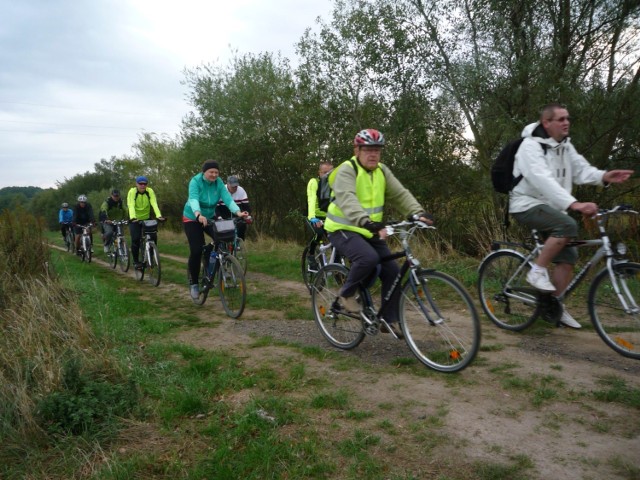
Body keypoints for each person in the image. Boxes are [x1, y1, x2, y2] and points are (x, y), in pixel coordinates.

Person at [511, 103, 634, 328]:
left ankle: (555, 306)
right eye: (560, 119)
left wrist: (605, 176)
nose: (566, 122)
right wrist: (574, 204)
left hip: (552, 208)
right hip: (526, 204)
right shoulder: (530, 147)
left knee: (568, 258)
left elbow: (581, 170)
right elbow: (542, 180)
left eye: (568, 118)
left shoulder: (565, 146)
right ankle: (537, 271)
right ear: (546, 123)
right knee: (568, 225)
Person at [324, 129, 433, 338]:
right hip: (342, 228)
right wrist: (365, 221)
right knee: (368, 258)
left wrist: (417, 213)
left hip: (368, 230)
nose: (373, 154)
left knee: (392, 270)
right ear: (357, 150)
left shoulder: (382, 171)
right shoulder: (347, 170)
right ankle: (346, 294)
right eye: (368, 149)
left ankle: (389, 320)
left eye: (377, 150)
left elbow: (400, 194)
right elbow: (347, 198)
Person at [184, 160, 249, 300]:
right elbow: (193, 199)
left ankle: (210, 260)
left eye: (216, 172)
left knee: (223, 239)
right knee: (196, 250)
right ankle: (194, 283)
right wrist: (198, 214)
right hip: (192, 217)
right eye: (211, 172)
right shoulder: (195, 182)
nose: (214, 175)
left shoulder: (218, 182)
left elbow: (227, 199)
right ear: (204, 172)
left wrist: (238, 212)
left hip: (209, 217)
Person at [126, 176, 165, 270]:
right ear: (136, 184)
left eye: (145, 184)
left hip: (146, 218)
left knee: (153, 237)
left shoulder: (149, 191)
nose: (143, 186)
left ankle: (151, 256)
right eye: (140, 184)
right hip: (134, 218)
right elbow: (131, 205)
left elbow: (154, 203)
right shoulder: (132, 192)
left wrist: (159, 216)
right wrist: (133, 217)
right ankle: (136, 262)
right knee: (135, 239)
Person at [306, 161, 333, 268]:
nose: (327, 175)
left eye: (330, 173)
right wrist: (312, 217)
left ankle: (338, 269)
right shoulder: (314, 182)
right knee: (319, 233)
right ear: (319, 173)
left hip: (329, 217)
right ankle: (311, 254)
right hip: (314, 216)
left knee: (338, 240)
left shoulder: (333, 184)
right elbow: (311, 199)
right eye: (325, 172)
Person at [215, 175, 251, 240]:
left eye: (236, 186)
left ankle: (240, 244)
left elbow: (246, 206)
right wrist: (219, 217)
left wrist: (246, 213)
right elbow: (216, 207)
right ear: (228, 184)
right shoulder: (222, 190)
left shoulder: (241, 190)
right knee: (223, 236)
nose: (235, 188)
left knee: (242, 227)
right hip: (224, 216)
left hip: (237, 216)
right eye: (233, 186)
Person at [99, 189, 126, 253]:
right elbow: (103, 210)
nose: (116, 197)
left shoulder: (121, 202)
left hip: (118, 221)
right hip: (108, 221)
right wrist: (106, 219)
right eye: (115, 196)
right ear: (111, 195)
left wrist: (128, 218)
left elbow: (126, 209)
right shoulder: (107, 202)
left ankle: (122, 248)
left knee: (121, 235)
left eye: (117, 196)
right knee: (109, 232)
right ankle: (106, 245)